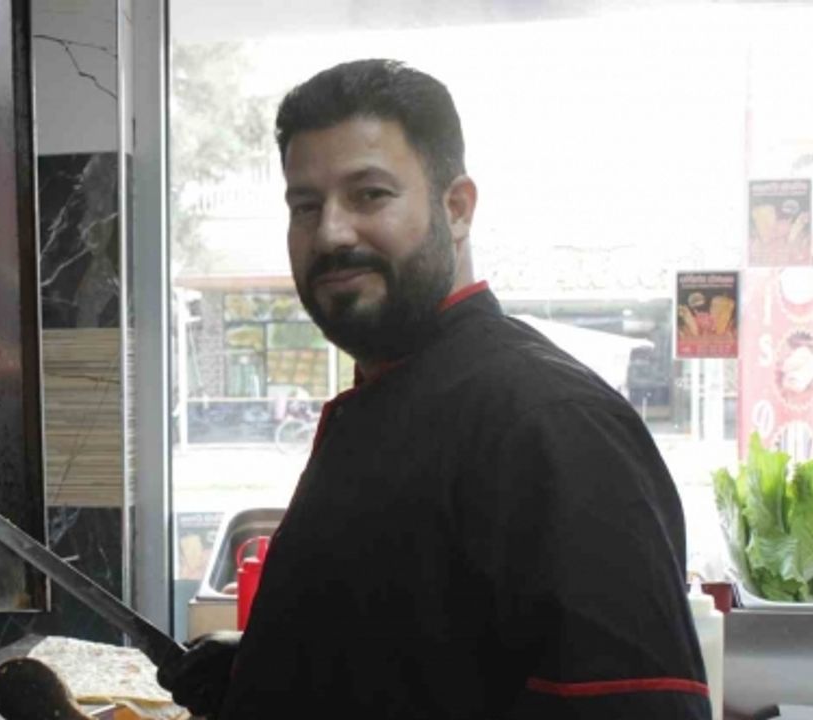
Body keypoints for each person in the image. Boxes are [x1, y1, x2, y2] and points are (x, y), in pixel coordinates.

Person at [157, 59, 710, 719]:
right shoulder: (391, 397)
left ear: (456, 208)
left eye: (370, 195)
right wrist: (270, 670)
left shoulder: (552, 424)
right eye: (306, 206)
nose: (331, 232)